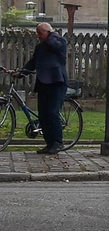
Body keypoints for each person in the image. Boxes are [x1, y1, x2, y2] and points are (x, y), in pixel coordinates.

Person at [13, 23, 69, 154]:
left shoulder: (59, 41)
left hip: (57, 82)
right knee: (43, 115)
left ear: (48, 33)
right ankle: (49, 143)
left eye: (40, 33)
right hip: (43, 83)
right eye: (37, 33)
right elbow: (32, 63)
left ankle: (57, 142)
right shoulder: (40, 47)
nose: (38, 36)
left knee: (52, 112)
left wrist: (51, 34)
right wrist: (21, 73)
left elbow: (55, 45)